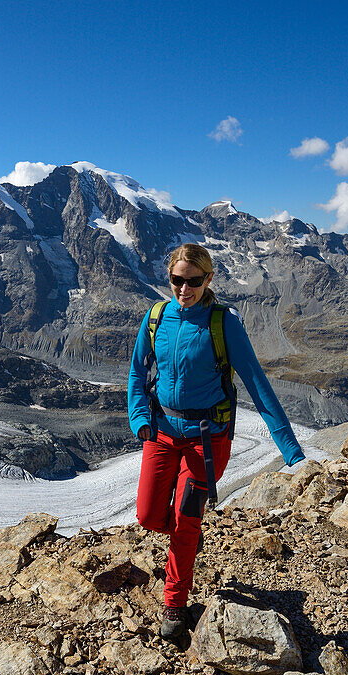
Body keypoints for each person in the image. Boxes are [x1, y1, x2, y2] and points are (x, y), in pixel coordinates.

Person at [128, 243, 306, 638]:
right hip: (161, 431)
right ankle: (185, 534)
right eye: (176, 280)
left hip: (206, 440)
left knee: (185, 521)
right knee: (146, 515)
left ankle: (174, 608)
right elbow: (138, 372)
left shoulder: (223, 323)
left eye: (192, 281)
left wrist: (290, 449)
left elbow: (257, 383)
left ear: (208, 279)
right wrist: (139, 415)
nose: (183, 289)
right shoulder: (157, 317)